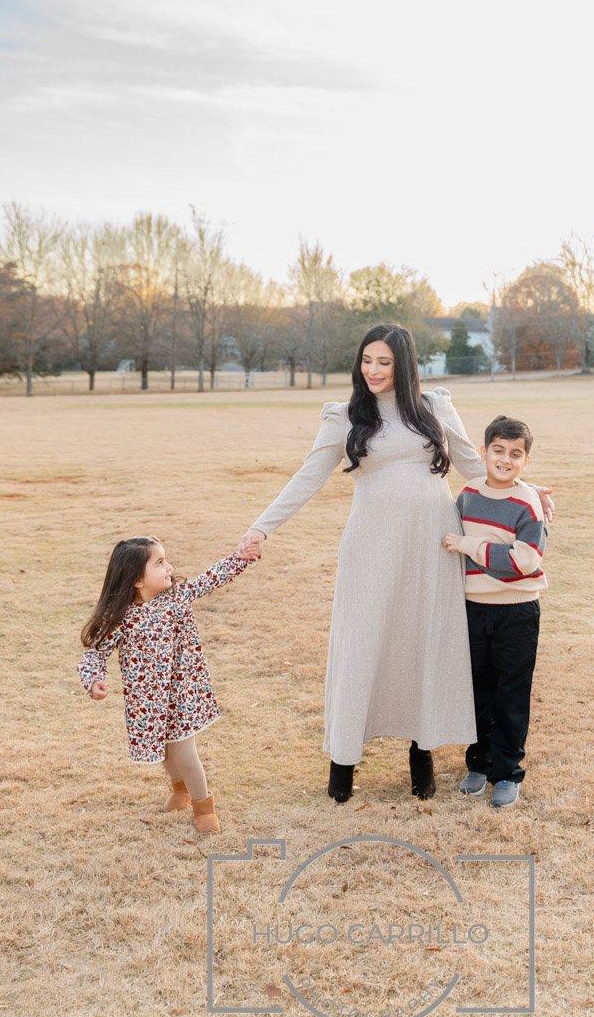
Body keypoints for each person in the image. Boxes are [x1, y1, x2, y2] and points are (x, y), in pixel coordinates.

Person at [237, 323, 552, 804]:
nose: (373, 370)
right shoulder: (344, 416)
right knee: (362, 645)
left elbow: (475, 464)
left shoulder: (433, 407)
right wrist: (261, 528)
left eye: (384, 362)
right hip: (371, 549)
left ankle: (420, 753)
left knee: (421, 643)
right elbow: (308, 477)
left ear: (403, 366)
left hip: (433, 547)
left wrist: (530, 492)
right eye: (367, 360)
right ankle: (343, 762)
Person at [78, 536, 256, 834]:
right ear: (136, 580)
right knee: (163, 751)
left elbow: (211, 579)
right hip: (148, 701)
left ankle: (203, 806)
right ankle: (180, 789)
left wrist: (241, 557)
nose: (169, 567)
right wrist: (94, 680)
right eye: (160, 563)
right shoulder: (120, 618)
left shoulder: (176, 598)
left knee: (184, 751)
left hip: (182, 692)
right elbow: (94, 654)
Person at [442, 415, 546, 809]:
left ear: (526, 461)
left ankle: (506, 773)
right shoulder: (468, 494)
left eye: (515, 454)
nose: (505, 460)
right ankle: (479, 764)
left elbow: (524, 560)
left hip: (517, 611)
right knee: (478, 692)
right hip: (472, 608)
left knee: (511, 695)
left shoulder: (528, 502)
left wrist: (470, 546)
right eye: (498, 451)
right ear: (484, 452)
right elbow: (447, 538)